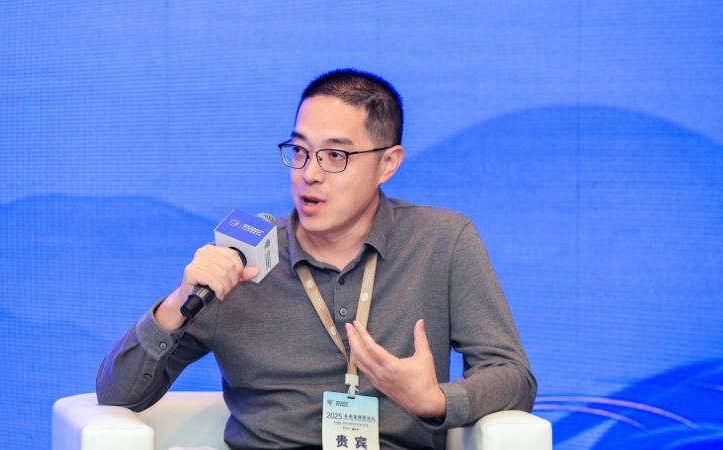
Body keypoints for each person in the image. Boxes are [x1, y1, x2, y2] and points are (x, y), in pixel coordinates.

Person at [97, 69, 537, 450]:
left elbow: (513, 376)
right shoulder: (242, 260)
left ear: (387, 163)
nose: (309, 174)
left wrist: (435, 401)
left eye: (335, 156)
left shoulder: (441, 240)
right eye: (300, 151)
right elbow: (119, 396)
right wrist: (177, 304)